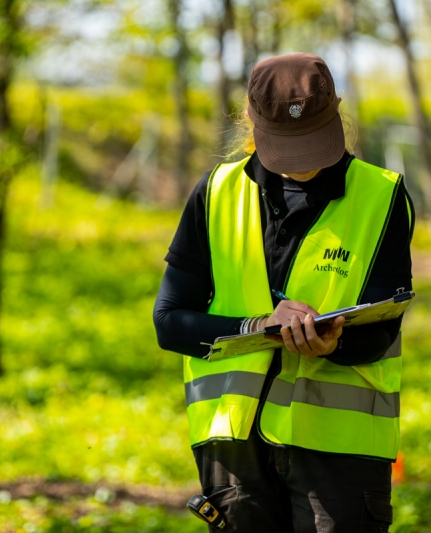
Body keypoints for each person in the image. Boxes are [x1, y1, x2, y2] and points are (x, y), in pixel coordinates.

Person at [153, 52, 414, 532]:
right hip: (234, 450)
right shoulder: (214, 193)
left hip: (340, 453)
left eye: (312, 142)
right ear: (250, 119)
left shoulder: (383, 196)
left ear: (337, 110)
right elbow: (169, 321)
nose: (303, 164)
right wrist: (256, 327)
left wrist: (333, 342)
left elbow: (383, 326)